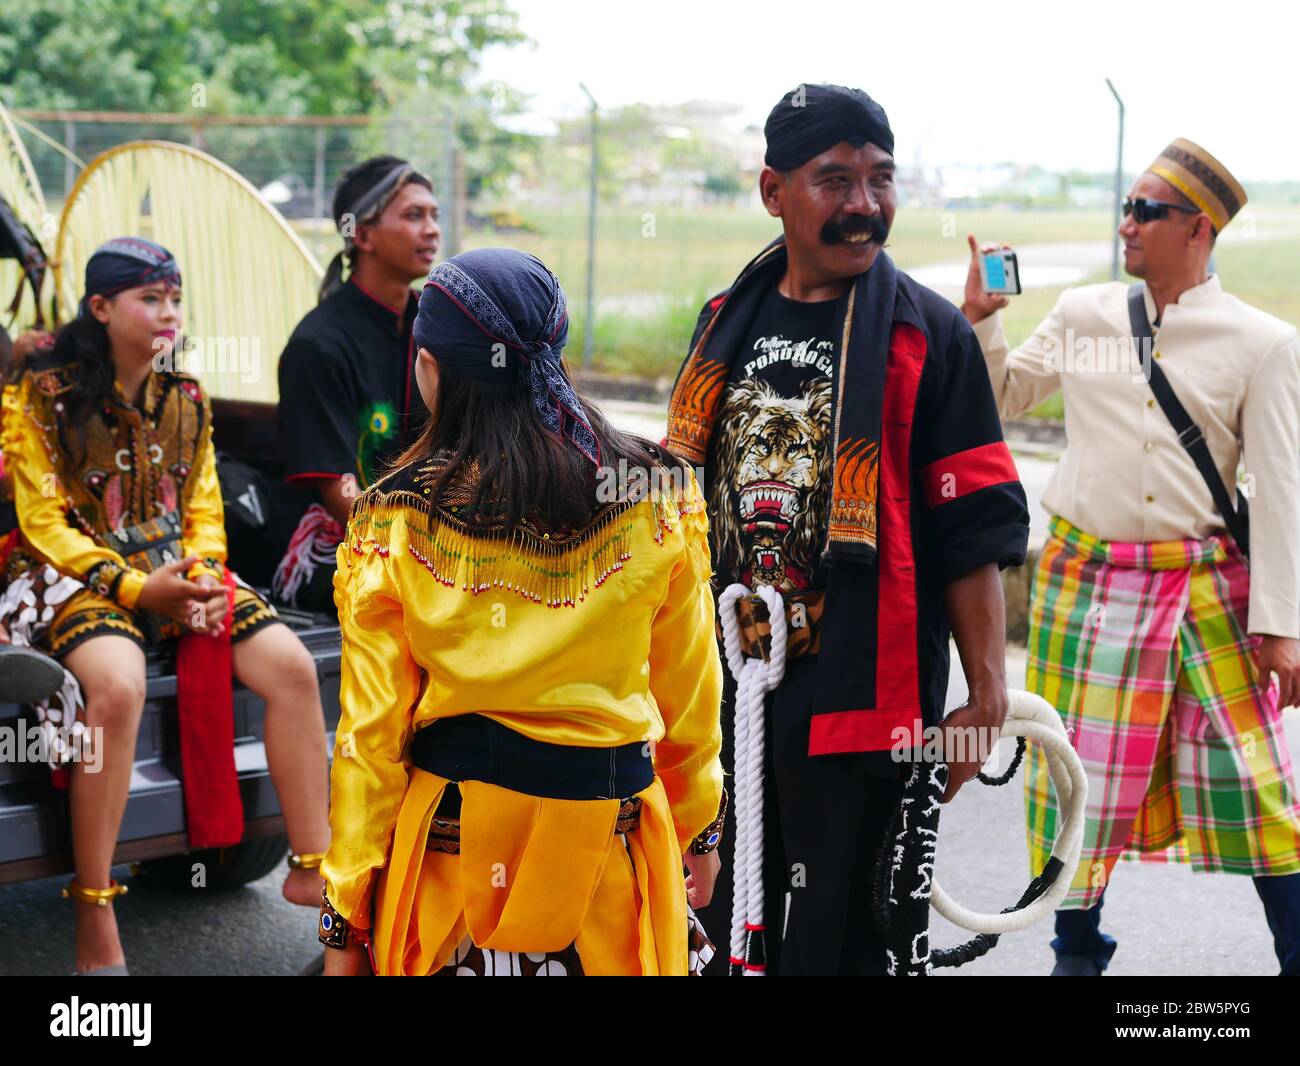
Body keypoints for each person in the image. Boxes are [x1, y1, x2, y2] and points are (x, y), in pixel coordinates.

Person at [667, 84, 1029, 975]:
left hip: (865, 696)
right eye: (836, 181)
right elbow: (675, 500)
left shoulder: (926, 337)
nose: (866, 206)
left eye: (881, 179)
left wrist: (985, 695)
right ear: (773, 192)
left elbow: (971, 526)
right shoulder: (725, 323)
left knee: (849, 940)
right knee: (719, 923)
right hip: (726, 687)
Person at [319, 248, 725, 976]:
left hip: (451, 877)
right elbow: (691, 696)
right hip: (611, 864)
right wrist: (699, 833)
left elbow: (369, 740)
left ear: (431, 366)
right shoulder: (658, 494)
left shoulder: (394, 516)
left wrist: (345, 915)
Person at [961, 138, 1300, 976]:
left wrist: (1283, 627)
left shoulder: (1262, 343)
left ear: (1199, 228)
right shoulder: (1084, 315)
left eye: (1147, 211)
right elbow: (1001, 397)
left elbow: (1284, 494)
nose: (1127, 225)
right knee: (1078, 783)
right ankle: (1076, 953)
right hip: (1087, 586)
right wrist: (983, 319)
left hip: (1202, 591)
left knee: (1260, 789)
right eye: (1127, 207)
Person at [0, 238, 331, 975]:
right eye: (150, 299)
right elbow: (44, 521)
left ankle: (311, 865)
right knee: (115, 687)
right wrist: (138, 589)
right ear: (101, 308)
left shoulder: (185, 393)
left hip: (172, 563)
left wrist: (206, 578)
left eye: (174, 299)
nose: (167, 313)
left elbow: (203, 500)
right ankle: (95, 908)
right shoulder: (41, 392)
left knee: (291, 667)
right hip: (70, 571)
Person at [271, 156, 441, 614]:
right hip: (337, 539)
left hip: (425, 533)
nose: (432, 230)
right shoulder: (318, 344)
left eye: (433, 215)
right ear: (361, 235)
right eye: (413, 215)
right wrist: (428, 554)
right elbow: (337, 491)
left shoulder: (437, 327)